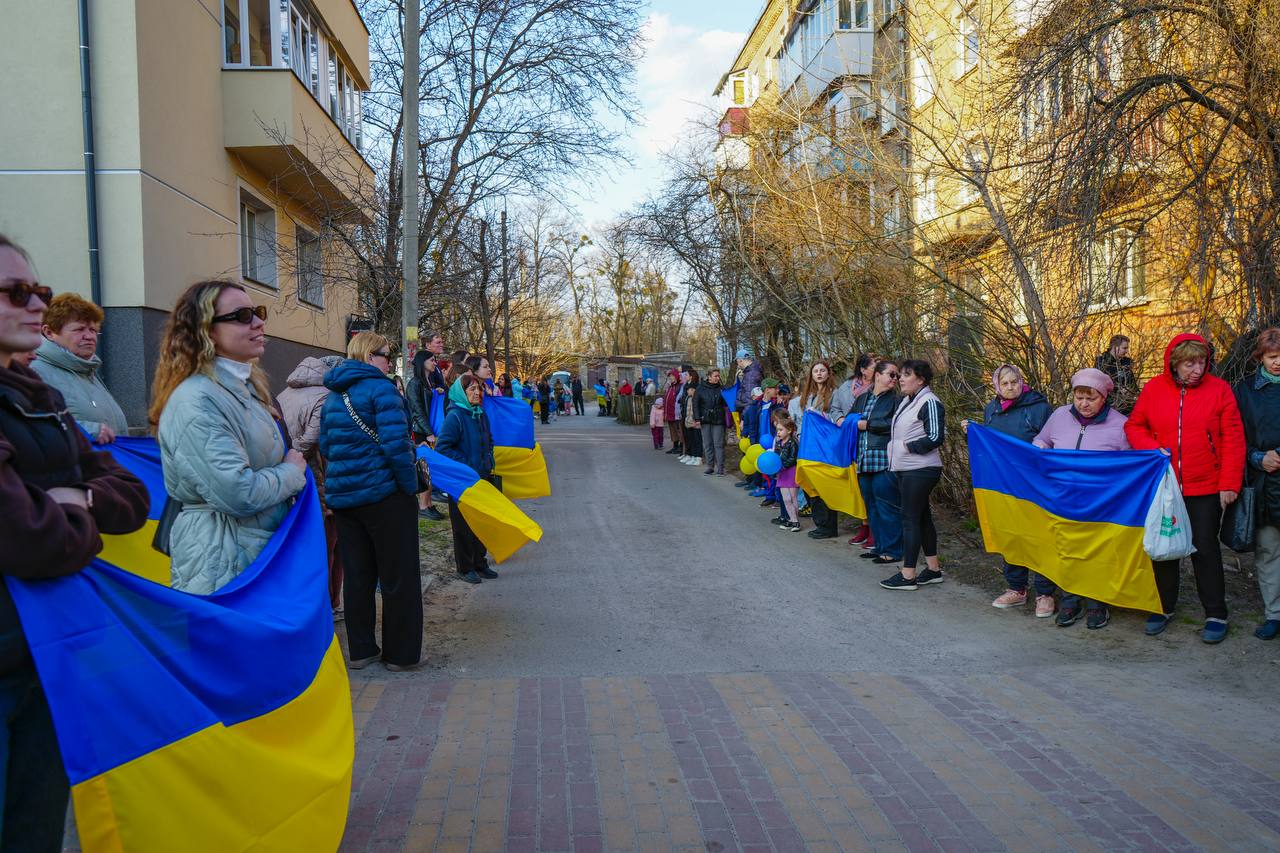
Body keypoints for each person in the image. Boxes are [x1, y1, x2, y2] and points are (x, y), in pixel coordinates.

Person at [0, 233, 150, 852]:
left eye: (38, 290)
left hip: (44, 652)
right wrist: (69, 504)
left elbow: (129, 497)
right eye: (17, 292)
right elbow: (25, 533)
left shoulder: (39, 396)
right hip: (10, 651)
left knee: (36, 827)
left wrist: (73, 501)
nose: (38, 303)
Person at [151, 281, 307, 594]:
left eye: (258, 312)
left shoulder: (242, 391)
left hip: (253, 552)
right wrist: (292, 472)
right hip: (222, 561)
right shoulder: (197, 400)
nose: (259, 322)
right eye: (243, 315)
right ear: (207, 330)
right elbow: (238, 493)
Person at [1125, 333, 1244, 643]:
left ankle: (1216, 614)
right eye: (1190, 363)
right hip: (1165, 485)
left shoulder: (1220, 390)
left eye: (1202, 362)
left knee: (1205, 548)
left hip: (1206, 486)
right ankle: (1163, 607)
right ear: (1174, 364)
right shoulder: (1153, 389)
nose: (1197, 369)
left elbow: (1233, 437)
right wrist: (1153, 448)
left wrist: (1229, 482)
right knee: (1163, 549)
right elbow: (1134, 425)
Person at [319, 331, 423, 671]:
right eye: (385, 355)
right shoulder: (382, 390)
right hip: (385, 497)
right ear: (368, 356)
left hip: (347, 499)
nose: (389, 361)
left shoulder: (334, 396)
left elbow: (326, 448)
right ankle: (401, 654)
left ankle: (362, 650)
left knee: (359, 576)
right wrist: (410, 487)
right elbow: (397, 447)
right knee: (398, 576)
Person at [1031, 368, 1132, 629]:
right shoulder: (1059, 416)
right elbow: (1042, 440)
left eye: (1091, 398)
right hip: (1062, 498)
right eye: (1079, 397)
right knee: (1066, 550)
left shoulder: (1120, 424)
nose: (1084, 404)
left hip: (1100, 503)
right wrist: (1039, 447)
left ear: (1104, 398)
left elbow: (1130, 465)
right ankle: (1070, 600)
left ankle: (1098, 603)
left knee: (1096, 553)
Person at [962, 365, 1054, 616]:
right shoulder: (991, 410)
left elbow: (1051, 442)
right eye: (1005, 383)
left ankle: (1045, 592)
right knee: (1012, 535)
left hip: (1033, 484)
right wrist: (970, 434)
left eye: (1015, 381)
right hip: (1003, 485)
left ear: (1022, 382)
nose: (1011, 386)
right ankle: (1017, 589)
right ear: (997, 386)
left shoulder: (1039, 407)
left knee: (1039, 536)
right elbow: (987, 444)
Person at [278, 353, 347, 617]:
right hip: (321, 477)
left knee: (307, 545)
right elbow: (313, 440)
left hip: (292, 478)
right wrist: (297, 453)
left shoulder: (284, 393)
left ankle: (318, 603)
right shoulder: (326, 397)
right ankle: (330, 604)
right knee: (330, 547)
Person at [880, 359, 946, 591]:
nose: (900, 379)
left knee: (909, 518)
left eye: (906, 375)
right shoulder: (907, 401)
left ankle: (908, 575)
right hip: (907, 469)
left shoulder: (930, 402)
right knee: (922, 517)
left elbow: (935, 436)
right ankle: (933, 569)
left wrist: (907, 447)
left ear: (921, 379)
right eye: (900, 375)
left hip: (921, 469)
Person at [31, 293, 129, 443]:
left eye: (93, 330)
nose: (89, 336)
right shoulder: (35, 371)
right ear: (49, 332)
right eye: (79, 329)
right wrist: (90, 431)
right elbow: (33, 428)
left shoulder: (87, 371)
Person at [1234, 328, 1280, 640]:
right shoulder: (1245, 390)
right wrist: (1256, 458)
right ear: (1260, 357)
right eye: (1273, 357)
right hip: (1263, 482)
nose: (1278, 363)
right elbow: (1236, 435)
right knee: (1268, 551)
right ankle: (1274, 614)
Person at [436, 374, 499, 585]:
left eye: (478, 389)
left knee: (481, 523)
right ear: (460, 392)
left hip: (482, 477)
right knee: (462, 526)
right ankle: (465, 567)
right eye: (471, 389)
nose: (477, 392)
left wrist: (488, 460)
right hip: (462, 481)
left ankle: (480, 563)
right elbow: (443, 448)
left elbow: (489, 440)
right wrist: (466, 465)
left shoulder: (480, 414)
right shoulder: (455, 416)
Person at [852, 361, 903, 566]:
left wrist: (869, 425)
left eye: (897, 376)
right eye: (891, 374)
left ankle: (892, 550)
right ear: (878, 375)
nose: (895, 379)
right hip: (864, 460)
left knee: (887, 506)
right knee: (871, 507)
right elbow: (851, 419)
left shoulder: (896, 400)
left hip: (884, 459)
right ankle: (880, 547)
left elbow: (897, 424)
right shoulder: (862, 398)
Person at [789, 359, 841, 539]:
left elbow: (836, 417)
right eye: (815, 371)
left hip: (826, 446)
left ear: (828, 374)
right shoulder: (808, 396)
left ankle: (829, 526)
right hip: (809, 446)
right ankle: (820, 523)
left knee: (825, 486)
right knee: (811, 485)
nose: (819, 373)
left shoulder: (835, 393)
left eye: (822, 370)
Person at [404, 350, 446, 521]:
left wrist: (438, 391)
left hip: (429, 430)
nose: (435, 363)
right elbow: (417, 411)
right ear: (422, 362)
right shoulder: (415, 383)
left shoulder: (429, 382)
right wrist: (428, 432)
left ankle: (428, 503)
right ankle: (423, 505)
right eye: (431, 360)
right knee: (424, 467)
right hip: (421, 431)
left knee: (429, 467)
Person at [696, 367, 729, 475]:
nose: (717, 378)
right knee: (707, 444)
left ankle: (720, 467)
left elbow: (726, 403)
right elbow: (695, 404)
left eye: (718, 376)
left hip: (718, 419)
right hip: (705, 419)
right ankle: (710, 466)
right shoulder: (700, 388)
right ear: (709, 377)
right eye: (715, 376)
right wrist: (697, 418)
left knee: (718, 444)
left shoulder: (722, 389)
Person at [773, 413, 802, 531]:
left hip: (790, 472)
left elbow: (793, 458)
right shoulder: (779, 443)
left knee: (793, 498)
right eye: (777, 430)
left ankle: (795, 521)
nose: (778, 432)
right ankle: (791, 519)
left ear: (789, 430)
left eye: (781, 430)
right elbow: (775, 456)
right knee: (785, 499)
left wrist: (783, 465)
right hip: (782, 473)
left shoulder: (793, 443)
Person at [1096, 334, 1138, 414]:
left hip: (1126, 405)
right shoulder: (1101, 362)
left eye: (1127, 348)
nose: (1126, 351)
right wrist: (1117, 390)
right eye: (1124, 348)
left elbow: (1132, 384)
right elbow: (1098, 385)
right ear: (1115, 347)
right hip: (1108, 405)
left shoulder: (1126, 363)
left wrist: (1130, 392)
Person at [679, 369, 704, 467]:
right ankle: (693, 455)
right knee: (691, 439)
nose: (688, 391)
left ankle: (698, 457)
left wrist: (696, 420)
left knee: (697, 439)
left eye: (689, 390)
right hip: (688, 421)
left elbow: (696, 410)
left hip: (695, 422)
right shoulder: (688, 398)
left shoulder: (695, 398)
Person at [734, 348, 763, 416]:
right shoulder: (751, 371)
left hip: (749, 414)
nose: (738, 365)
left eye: (737, 362)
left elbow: (750, 400)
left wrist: (744, 418)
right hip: (751, 411)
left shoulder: (750, 375)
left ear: (740, 360)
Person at [664, 371, 682, 454]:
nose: (670, 378)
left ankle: (681, 447)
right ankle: (675, 446)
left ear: (676, 377)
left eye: (672, 376)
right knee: (672, 431)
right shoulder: (671, 387)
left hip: (676, 413)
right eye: (669, 376)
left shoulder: (679, 387)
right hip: (669, 413)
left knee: (678, 430)